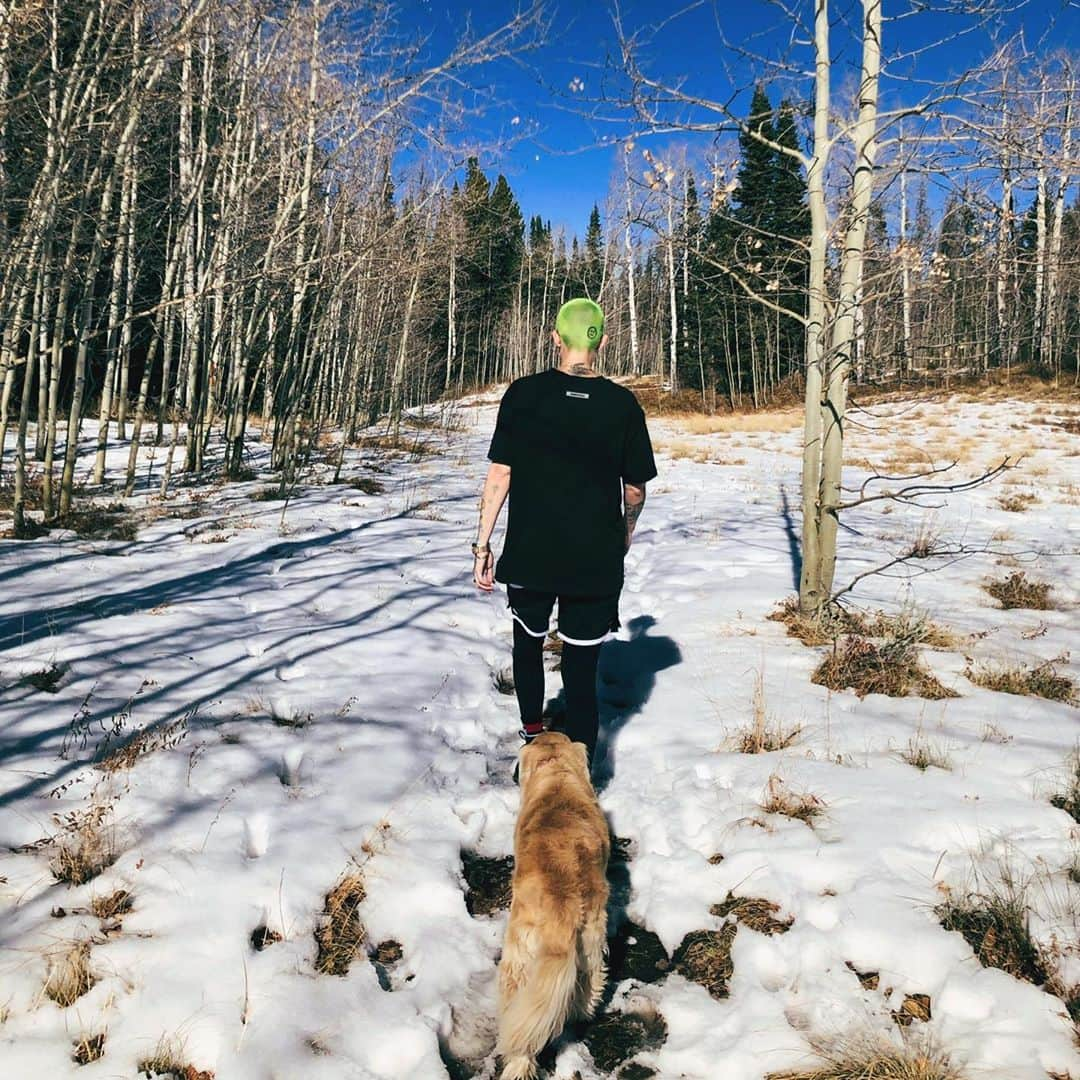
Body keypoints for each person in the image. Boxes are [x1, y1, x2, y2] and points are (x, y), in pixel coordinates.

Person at [472, 298, 657, 774]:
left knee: (528, 645)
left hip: (532, 552)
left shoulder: (523, 395)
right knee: (581, 666)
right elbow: (634, 488)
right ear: (603, 341)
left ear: (555, 338)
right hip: (594, 556)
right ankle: (581, 767)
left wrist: (483, 545)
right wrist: (624, 534)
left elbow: (500, 475)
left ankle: (533, 741)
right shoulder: (623, 405)